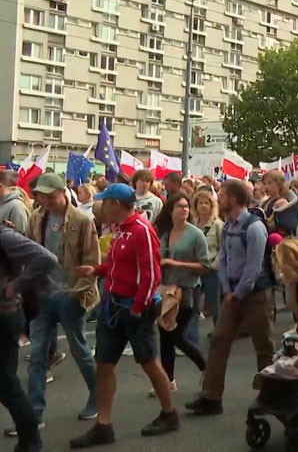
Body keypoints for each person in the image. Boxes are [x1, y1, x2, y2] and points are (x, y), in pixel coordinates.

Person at [70, 183, 179, 448]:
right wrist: (97, 270)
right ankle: (103, 425)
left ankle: (169, 414)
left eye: (105, 202)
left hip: (133, 308)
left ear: (116, 204)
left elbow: (152, 273)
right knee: (104, 365)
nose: (101, 206)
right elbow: (120, 264)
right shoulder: (120, 230)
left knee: (150, 363)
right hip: (114, 305)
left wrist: (139, 307)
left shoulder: (142, 230)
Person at [13, 174, 100, 436]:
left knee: (79, 349)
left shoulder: (82, 221)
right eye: (42, 196)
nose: (46, 201)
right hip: (42, 295)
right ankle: (34, 414)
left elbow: (92, 260)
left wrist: (77, 293)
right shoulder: (37, 218)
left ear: (64, 192)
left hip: (70, 294)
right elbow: (29, 252)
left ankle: (97, 397)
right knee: (37, 355)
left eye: (51, 195)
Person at [186, 180, 273, 416]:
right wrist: (226, 289)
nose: (218, 199)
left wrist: (238, 293)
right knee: (219, 342)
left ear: (233, 199)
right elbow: (223, 259)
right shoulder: (227, 227)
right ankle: (211, 397)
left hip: (254, 295)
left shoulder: (254, 228)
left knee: (263, 346)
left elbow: (254, 268)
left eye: (222, 195)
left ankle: (269, 396)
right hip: (231, 294)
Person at [1, 224, 63, 452]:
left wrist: (16, 285)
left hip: (4, 315)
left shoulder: (4, 236)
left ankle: (31, 440)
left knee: (7, 384)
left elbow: (47, 258)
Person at [151, 195, 209, 394]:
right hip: (166, 290)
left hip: (187, 290)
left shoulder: (195, 235)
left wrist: (176, 263)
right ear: (170, 210)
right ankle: (168, 381)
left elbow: (204, 266)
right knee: (166, 336)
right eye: (179, 206)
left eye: (186, 206)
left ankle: (206, 369)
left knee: (176, 336)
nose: (184, 209)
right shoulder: (165, 233)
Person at [191, 190, 223, 328]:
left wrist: (215, 265)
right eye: (200, 203)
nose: (203, 206)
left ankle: (219, 331)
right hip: (195, 269)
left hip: (212, 269)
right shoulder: (193, 223)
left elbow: (223, 248)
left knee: (214, 302)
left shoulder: (217, 224)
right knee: (193, 303)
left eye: (206, 203)